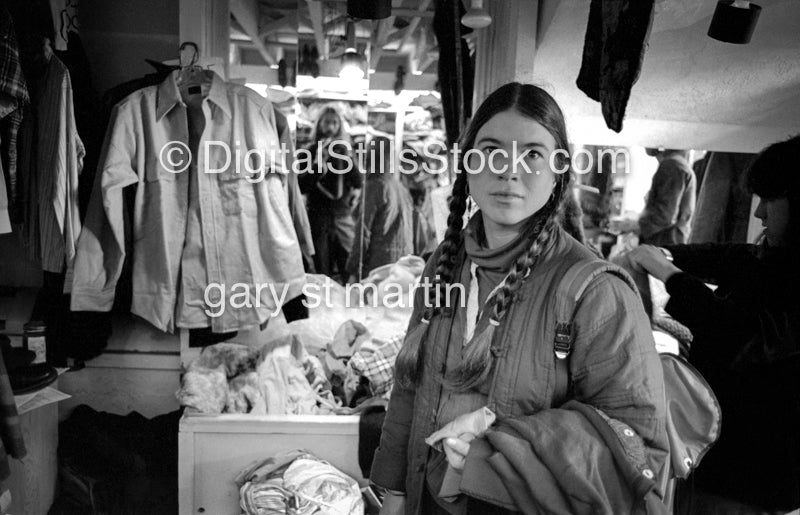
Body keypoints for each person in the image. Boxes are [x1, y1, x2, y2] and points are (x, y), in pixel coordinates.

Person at [370, 83, 668, 514]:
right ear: (467, 163)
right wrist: (395, 493)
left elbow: (639, 446)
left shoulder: (596, 293)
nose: (509, 171)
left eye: (532, 154)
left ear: (558, 170)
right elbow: (409, 386)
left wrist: (498, 445)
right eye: (491, 151)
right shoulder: (444, 265)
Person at [624, 135, 800, 514]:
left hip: (755, 476)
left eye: (770, 200)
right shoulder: (775, 256)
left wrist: (670, 275)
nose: (759, 213)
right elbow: (731, 257)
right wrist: (667, 254)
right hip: (714, 458)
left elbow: (738, 333)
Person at [299, 106, 363, 280]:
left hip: (341, 216)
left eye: (335, 123)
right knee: (322, 270)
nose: (330, 127)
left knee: (349, 268)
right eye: (327, 122)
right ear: (319, 124)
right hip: (318, 217)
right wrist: (318, 164)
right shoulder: (309, 151)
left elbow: (358, 181)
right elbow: (301, 186)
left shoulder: (344, 151)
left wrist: (346, 158)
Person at [346, 136, 414, 282]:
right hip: (400, 266)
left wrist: (353, 269)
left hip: (378, 268)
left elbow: (362, 233)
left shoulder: (375, 186)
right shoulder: (400, 188)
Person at [637, 148, 697, 245]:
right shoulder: (677, 164)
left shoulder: (672, 165)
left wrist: (634, 225)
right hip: (673, 241)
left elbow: (664, 216)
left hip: (664, 242)